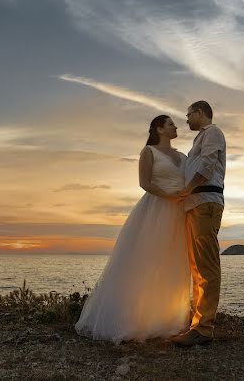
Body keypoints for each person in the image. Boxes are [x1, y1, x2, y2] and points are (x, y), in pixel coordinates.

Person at [74, 115, 190, 343]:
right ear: (159, 128)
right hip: (156, 210)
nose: (176, 127)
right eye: (170, 124)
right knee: (145, 260)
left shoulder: (183, 156)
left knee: (172, 262)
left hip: (179, 213)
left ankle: (165, 318)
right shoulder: (149, 152)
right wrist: (170, 197)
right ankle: (132, 320)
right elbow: (144, 183)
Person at [171, 100, 226, 347]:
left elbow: (208, 164)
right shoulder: (199, 139)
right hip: (196, 204)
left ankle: (204, 329)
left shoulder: (212, 133)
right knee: (197, 266)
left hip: (205, 202)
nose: (186, 119)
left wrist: (188, 189)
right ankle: (197, 324)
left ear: (200, 112)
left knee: (206, 266)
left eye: (189, 114)